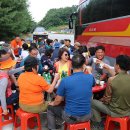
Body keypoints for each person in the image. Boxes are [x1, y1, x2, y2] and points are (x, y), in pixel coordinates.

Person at [47, 54, 95, 130]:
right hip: (87, 116)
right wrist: (88, 70)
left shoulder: (65, 80)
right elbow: (93, 81)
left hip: (71, 117)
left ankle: (52, 128)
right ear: (83, 65)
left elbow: (58, 101)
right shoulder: (90, 78)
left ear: (71, 66)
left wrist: (52, 103)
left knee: (50, 108)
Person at [92, 55, 130, 124]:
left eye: (115, 64)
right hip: (128, 111)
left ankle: (97, 123)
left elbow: (106, 100)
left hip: (115, 111)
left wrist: (101, 100)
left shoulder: (111, 80)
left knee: (92, 102)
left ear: (118, 66)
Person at [0, 50, 24, 115]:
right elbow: (1, 95)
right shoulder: (4, 79)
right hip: (4, 99)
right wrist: (4, 109)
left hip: (6, 96)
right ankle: (15, 110)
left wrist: (21, 68)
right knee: (22, 94)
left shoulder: (2, 71)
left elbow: (10, 72)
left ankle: (12, 110)